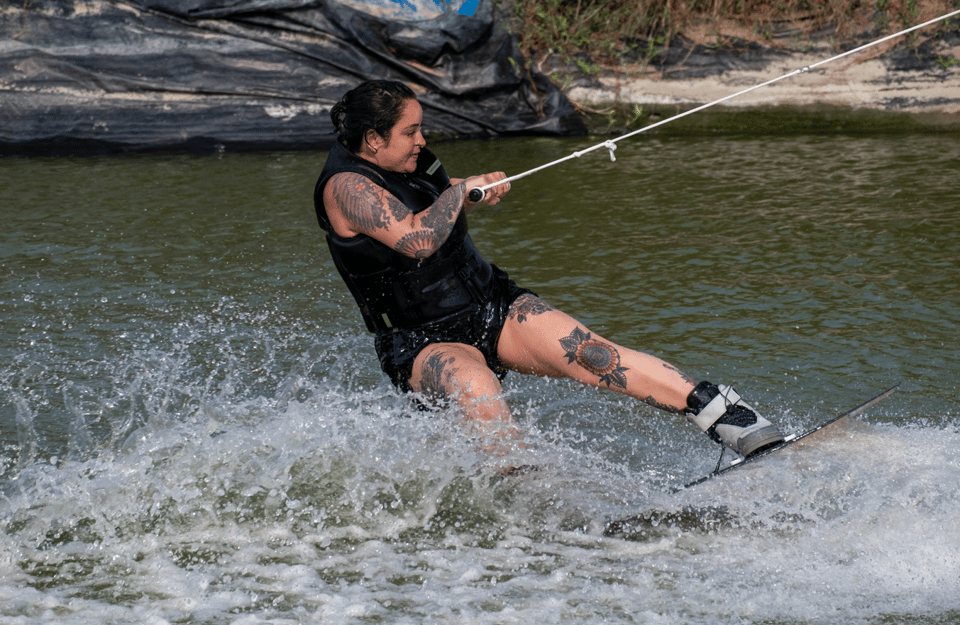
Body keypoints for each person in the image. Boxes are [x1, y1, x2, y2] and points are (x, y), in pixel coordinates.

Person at [313, 80, 784, 458]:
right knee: (476, 387)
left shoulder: (410, 161)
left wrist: (473, 190)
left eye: (421, 129)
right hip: (421, 341)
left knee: (593, 355)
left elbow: (433, 200)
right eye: (410, 132)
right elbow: (415, 238)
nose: (422, 139)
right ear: (373, 139)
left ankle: (727, 417)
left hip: (490, 303)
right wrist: (459, 193)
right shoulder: (347, 188)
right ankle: (524, 489)